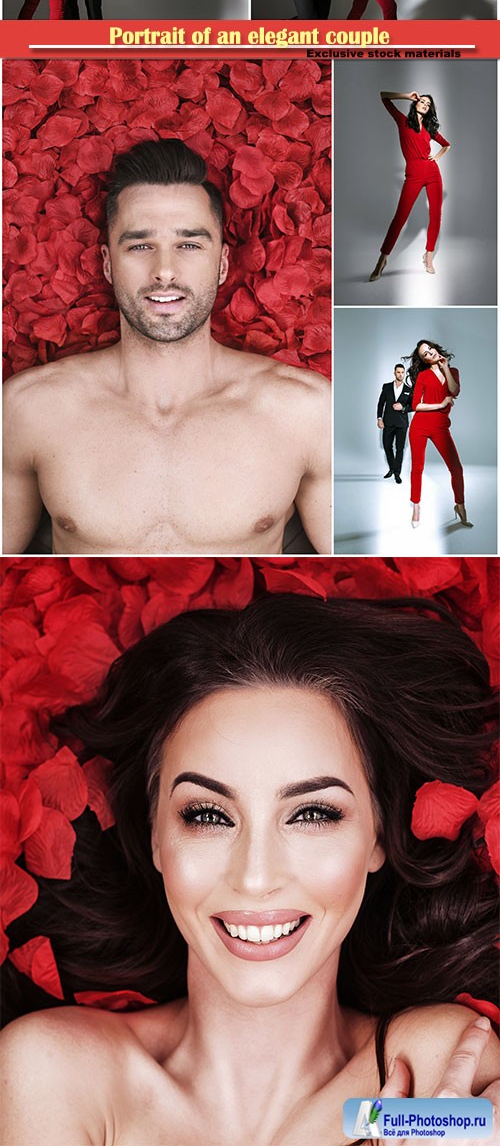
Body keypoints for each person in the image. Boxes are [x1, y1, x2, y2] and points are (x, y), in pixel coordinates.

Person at [1, 594, 498, 1146]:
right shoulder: (56, 1074)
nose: (255, 878)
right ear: (155, 836)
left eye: (312, 814)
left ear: (378, 835)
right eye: (208, 816)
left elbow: (376, 1118)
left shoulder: (429, 1062)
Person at [2, 140, 331, 557]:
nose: (164, 271)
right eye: (140, 245)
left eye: (189, 245)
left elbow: (357, 578)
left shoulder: (306, 410)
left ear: (224, 263)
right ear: (107, 263)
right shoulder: (29, 407)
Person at [370, 92, 450, 281]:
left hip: (432, 174)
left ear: (430, 109)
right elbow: (383, 97)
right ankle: (382, 260)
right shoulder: (403, 121)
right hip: (413, 175)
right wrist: (407, 96)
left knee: (435, 216)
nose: (424, 104)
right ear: (415, 104)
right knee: (400, 218)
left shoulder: (430, 129)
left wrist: (436, 157)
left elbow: (446, 145)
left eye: (427, 103)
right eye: (421, 101)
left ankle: (428, 257)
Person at [407, 340, 470, 529]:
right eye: (425, 354)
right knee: (417, 468)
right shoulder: (424, 376)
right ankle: (416, 506)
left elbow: (455, 390)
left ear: (435, 349)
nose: (429, 353)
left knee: (456, 469)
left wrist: (446, 367)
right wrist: (441, 404)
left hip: (441, 427)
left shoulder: (453, 372)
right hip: (420, 426)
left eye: (430, 349)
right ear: (424, 360)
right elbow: (415, 405)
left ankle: (460, 506)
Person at [377, 363, 413, 483]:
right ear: (394, 372)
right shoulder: (386, 387)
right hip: (388, 422)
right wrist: (379, 418)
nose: (400, 374)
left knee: (400, 449)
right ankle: (392, 468)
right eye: (398, 372)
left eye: (402, 372)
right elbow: (381, 403)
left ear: (404, 373)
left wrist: (402, 407)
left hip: (402, 424)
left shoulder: (408, 389)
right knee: (387, 446)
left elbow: (413, 406)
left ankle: (397, 473)